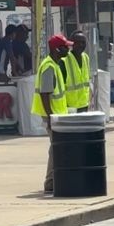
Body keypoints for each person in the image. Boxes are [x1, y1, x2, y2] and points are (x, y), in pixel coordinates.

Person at [33, 35, 71, 193]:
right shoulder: (49, 67)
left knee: (57, 148)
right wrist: (50, 117)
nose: (68, 49)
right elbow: (45, 93)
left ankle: (54, 179)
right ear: (57, 49)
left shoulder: (55, 64)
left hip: (57, 114)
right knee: (56, 149)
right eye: (65, 47)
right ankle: (50, 182)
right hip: (53, 115)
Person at [64, 32, 93, 113]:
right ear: (71, 44)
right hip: (70, 106)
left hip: (84, 104)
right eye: (77, 42)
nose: (81, 45)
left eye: (83, 42)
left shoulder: (86, 57)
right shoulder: (65, 59)